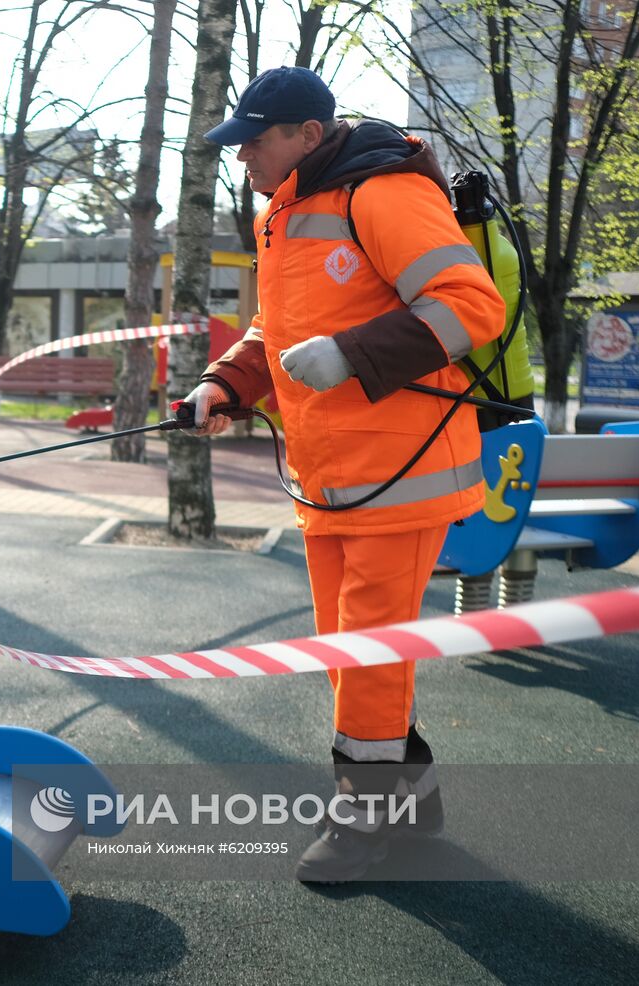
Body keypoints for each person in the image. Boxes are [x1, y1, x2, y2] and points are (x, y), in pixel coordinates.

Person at [189, 66, 506, 882]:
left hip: (399, 474)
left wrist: (350, 355)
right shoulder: (288, 211)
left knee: (365, 650)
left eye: (256, 141)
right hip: (335, 475)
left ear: (307, 133)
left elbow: (470, 305)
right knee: (350, 650)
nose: (245, 158)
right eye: (242, 144)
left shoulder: (383, 191)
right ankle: (414, 797)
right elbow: (278, 328)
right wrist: (227, 383)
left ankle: (364, 823)